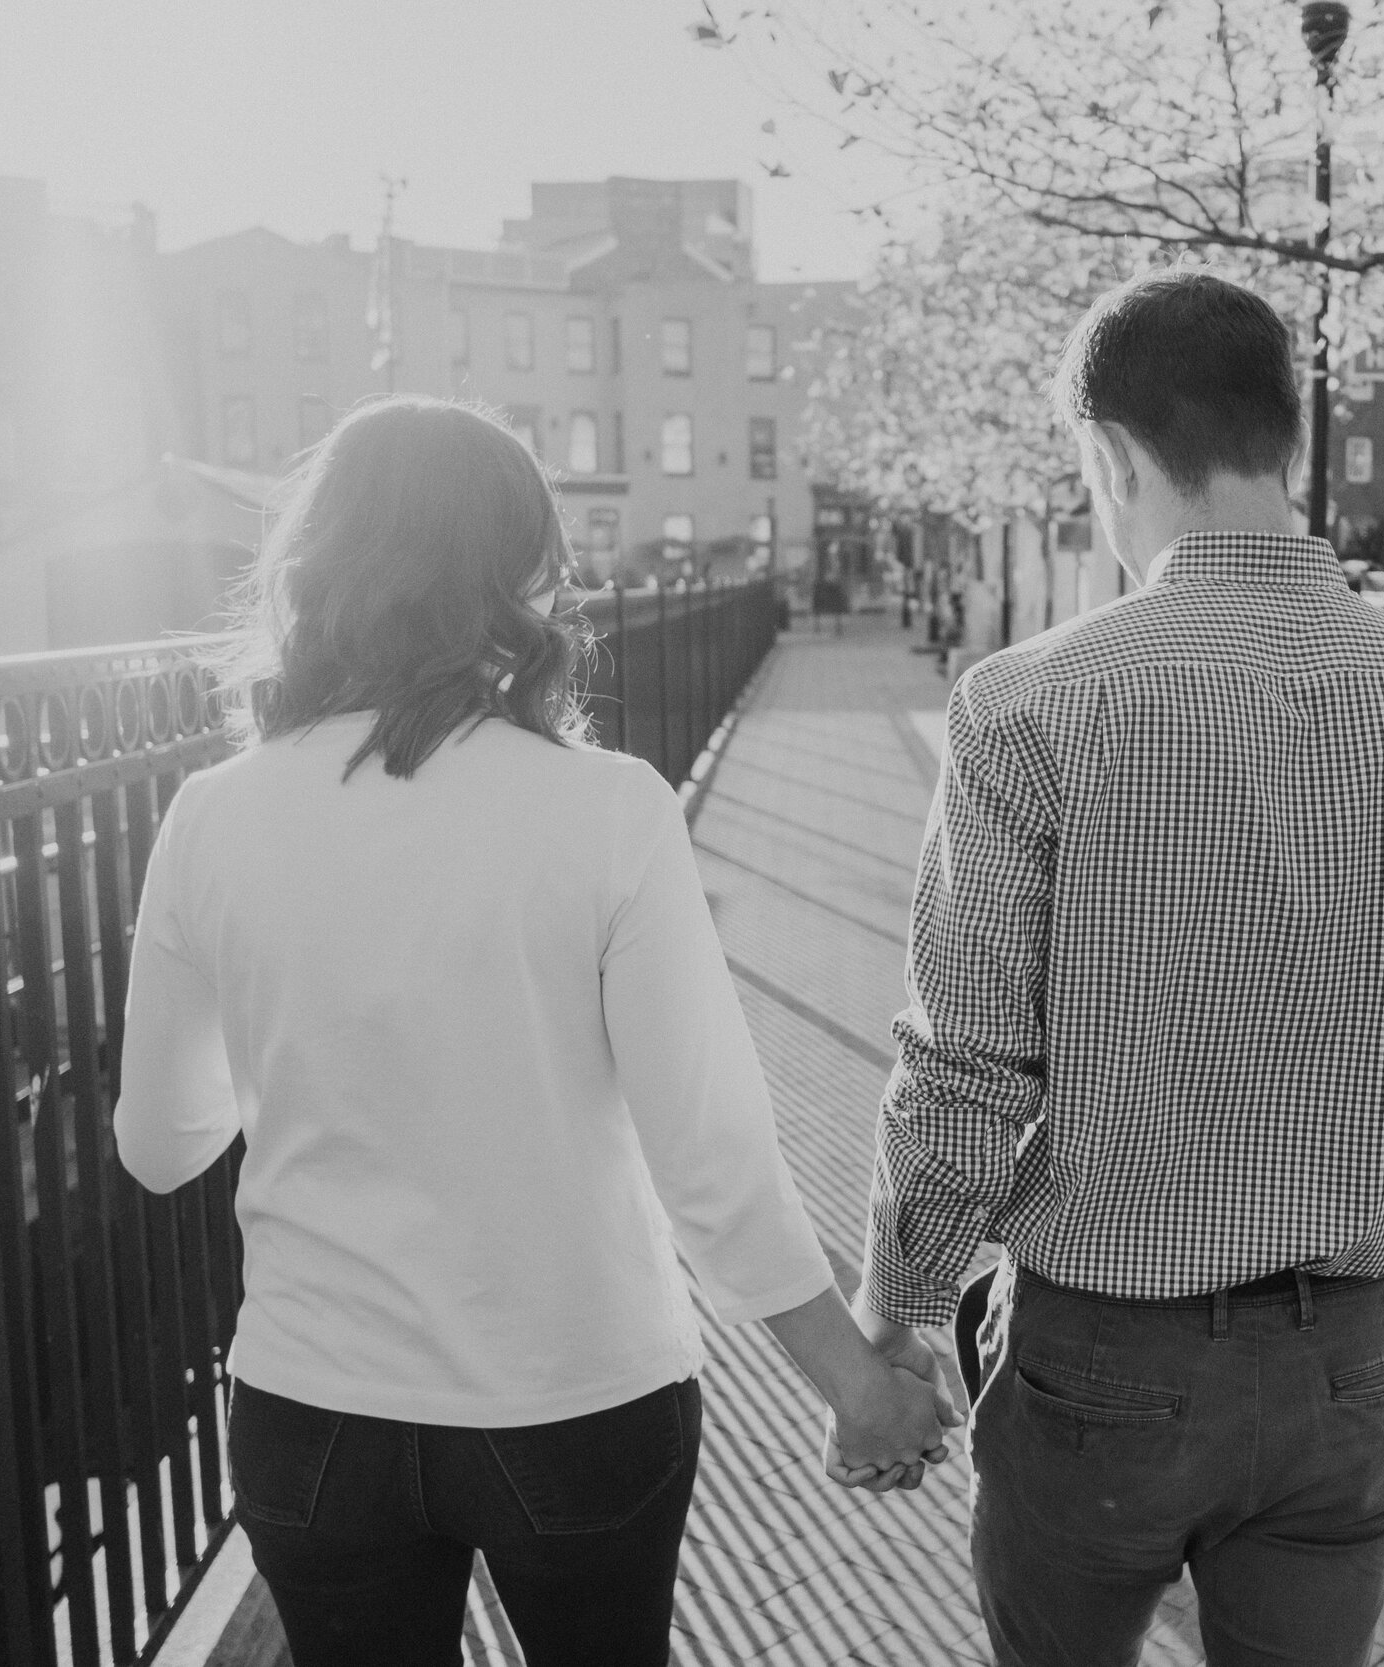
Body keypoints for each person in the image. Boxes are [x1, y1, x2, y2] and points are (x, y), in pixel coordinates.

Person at [115, 397, 957, 1667]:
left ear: (315, 564)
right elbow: (711, 1161)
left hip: (316, 1404)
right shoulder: (604, 810)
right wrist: (854, 1380)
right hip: (574, 1395)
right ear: (521, 578)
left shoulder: (212, 815)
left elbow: (161, 1144)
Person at [854, 272, 1384, 1667]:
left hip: (1104, 1359)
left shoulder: (1028, 707)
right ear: (1286, 446)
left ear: (1112, 454)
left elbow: (963, 1067)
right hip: (1353, 1355)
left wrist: (898, 1316)